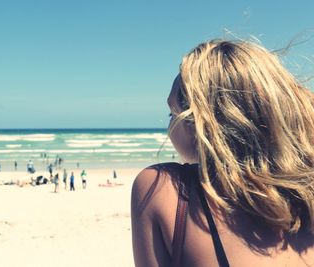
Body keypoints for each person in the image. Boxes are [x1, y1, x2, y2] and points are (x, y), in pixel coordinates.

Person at [131, 39, 314, 267]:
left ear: (198, 122)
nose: (170, 126)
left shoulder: (163, 189)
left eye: (172, 114)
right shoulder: (306, 198)